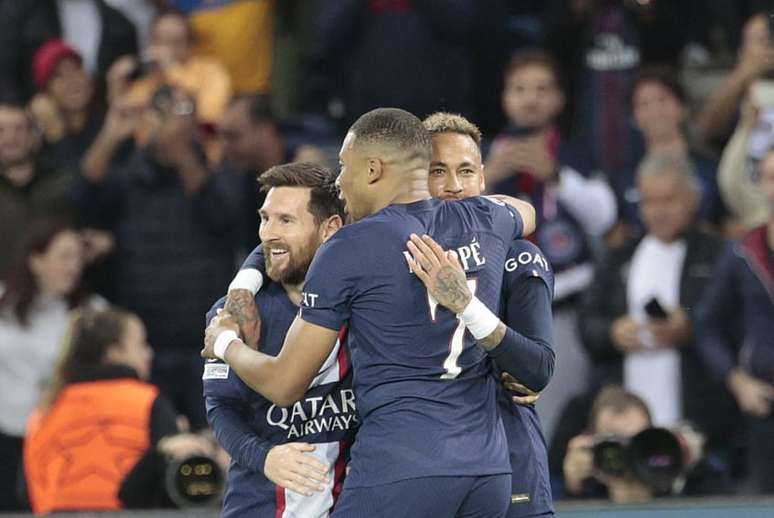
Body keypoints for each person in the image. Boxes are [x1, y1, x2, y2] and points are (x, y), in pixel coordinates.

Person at [203, 107, 536, 516]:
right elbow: (526, 213)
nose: (340, 181)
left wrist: (224, 342)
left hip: (401, 467)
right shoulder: (487, 218)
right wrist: (247, 279)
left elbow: (285, 384)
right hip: (488, 472)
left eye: (345, 167)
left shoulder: (351, 247)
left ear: (374, 169)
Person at [74, 85, 244, 430]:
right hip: (145, 344)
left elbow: (226, 216)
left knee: (219, 439)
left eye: (185, 123)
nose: (174, 134)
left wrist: (184, 157)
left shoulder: (217, 173)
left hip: (207, 342)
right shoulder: (128, 179)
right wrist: (111, 135)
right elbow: (81, 199)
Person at [421, 111, 555, 517]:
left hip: (507, 450)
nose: (453, 186)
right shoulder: (389, 255)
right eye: (437, 171)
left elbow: (536, 368)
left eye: (465, 171)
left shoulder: (517, 255)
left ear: (482, 179)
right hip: (421, 459)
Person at [204, 162, 356, 516]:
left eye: (285, 221)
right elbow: (221, 408)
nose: (269, 233)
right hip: (258, 505)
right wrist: (266, 456)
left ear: (329, 229)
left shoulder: (365, 307)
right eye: (264, 218)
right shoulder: (234, 314)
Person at [484, 50, 617, 441]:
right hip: (502, 313)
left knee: (555, 422)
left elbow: (604, 217)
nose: (531, 98)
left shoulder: (573, 151)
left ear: (559, 99)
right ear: (505, 98)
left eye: (542, 89)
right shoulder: (480, 157)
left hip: (566, 308)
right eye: (520, 89)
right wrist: (487, 178)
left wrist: (555, 175)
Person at [578, 153, 736, 457]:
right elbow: (587, 323)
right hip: (624, 416)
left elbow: (735, 321)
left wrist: (689, 326)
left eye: (668, 200)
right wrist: (612, 333)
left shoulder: (719, 254)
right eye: (649, 201)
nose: (658, 211)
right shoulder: (620, 255)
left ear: (693, 198)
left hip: (702, 415)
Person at [23, 308, 214, 514]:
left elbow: (24, 490)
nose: (148, 353)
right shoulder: (148, 401)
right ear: (114, 353)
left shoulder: (45, 410)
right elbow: (173, 484)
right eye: (141, 345)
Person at [0, 221, 97, 511]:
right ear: (36, 260)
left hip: (61, 439)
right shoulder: (3, 303)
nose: (73, 266)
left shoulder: (92, 313)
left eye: (78, 258)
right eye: (64, 257)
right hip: (6, 434)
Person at [696, 147, 774, 494]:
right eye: (772, 177)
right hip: (763, 407)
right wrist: (737, 381)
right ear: (762, 185)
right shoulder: (742, 251)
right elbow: (706, 324)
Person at [608, 68, 726, 243]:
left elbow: (729, 224)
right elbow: (615, 235)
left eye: (663, 100)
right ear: (633, 117)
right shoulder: (622, 177)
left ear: (683, 107)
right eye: (643, 104)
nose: (655, 110)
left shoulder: (712, 168)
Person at [0, 101, 81, 275]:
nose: (10, 138)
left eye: (19, 129)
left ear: (34, 136)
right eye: (1, 131)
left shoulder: (63, 182)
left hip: (57, 294)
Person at [0, 0, 137, 102]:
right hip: (34, 116)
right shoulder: (21, 13)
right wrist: (11, 104)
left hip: (98, 116)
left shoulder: (120, 24)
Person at [697, 12, 774, 151]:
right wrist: (744, 73)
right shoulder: (732, 88)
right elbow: (706, 129)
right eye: (762, 40)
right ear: (741, 51)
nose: (769, 46)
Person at [28, 39, 104, 167]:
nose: (72, 79)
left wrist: (57, 136)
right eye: (58, 75)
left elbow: (88, 182)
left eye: (76, 69)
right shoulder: (36, 142)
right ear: (45, 94)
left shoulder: (109, 125)